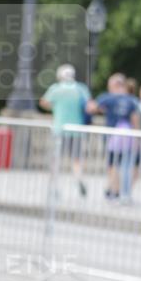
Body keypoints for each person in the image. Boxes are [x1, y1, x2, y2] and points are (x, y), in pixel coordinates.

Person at [86, 73, 140, 202]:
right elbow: (135, 119)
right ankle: (122, 192)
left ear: (114, 85)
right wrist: (137, 138)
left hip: (113, 138)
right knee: (126, 166)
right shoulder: (131, 99)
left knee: (113, 164)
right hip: (128, 138)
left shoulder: (108, 98)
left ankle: (114, 190)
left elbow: (91, 109)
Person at [39, 64, 91, 197]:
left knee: (56, 160)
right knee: (76, 159)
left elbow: (43, 102)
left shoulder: (56, 89)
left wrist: (56, 108)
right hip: (76, 129)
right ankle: (78, 178)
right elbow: (89, 106)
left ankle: (54, 187)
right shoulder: (80, 88)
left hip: (59, 128)